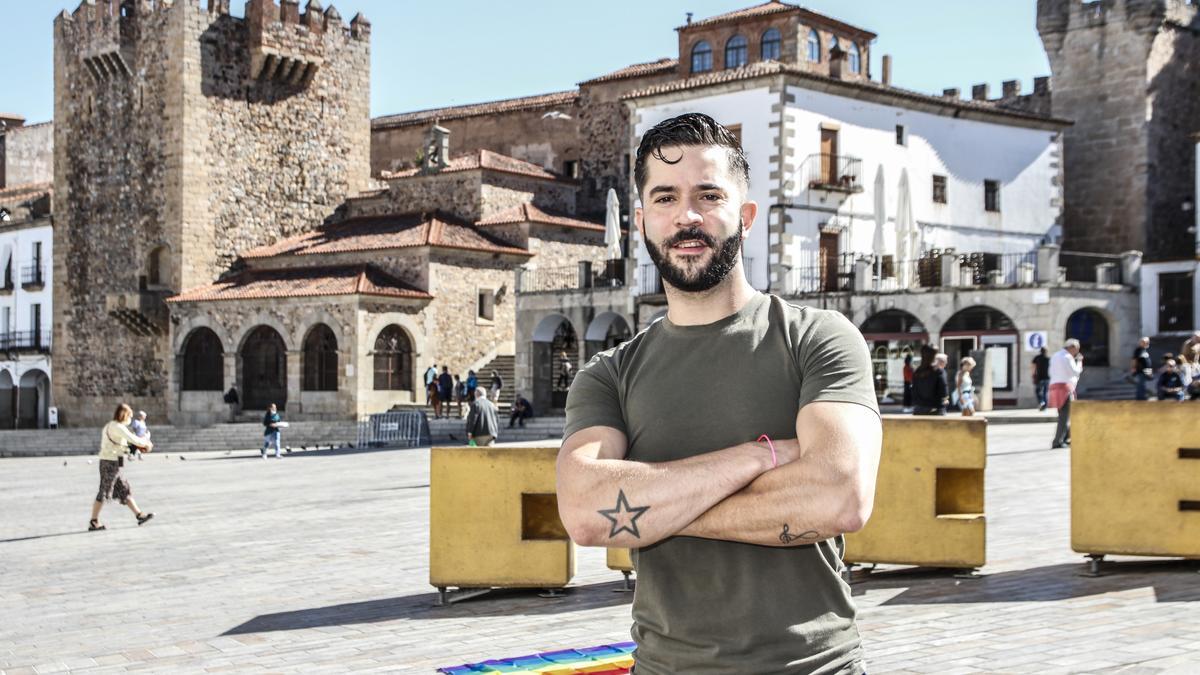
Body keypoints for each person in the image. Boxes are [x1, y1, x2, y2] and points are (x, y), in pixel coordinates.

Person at [557, 113, 882, 672]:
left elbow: (839, 498)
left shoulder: (817, 339)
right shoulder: (608, 375)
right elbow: (585, 513)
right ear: (640, 221)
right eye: (664, 198)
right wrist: (759, 456)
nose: (687, 216)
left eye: (708, 195)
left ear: (746, 216)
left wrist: (654, 505)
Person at [89, 404, 154, 531]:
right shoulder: (118, 427)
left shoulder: (110, 425)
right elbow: (133, 439)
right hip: (110, 463)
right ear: (124, 415)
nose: (130, 419)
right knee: (103, 491)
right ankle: (94, 521)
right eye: (129, 416)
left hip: (112, 462)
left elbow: (123, 444)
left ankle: (139, 515)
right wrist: (146, 443)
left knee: (123, 490)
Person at [1049, 338, 1083, 449]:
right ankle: (1057, 441)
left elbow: (1051, 372)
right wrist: (1079, 362)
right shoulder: (1068, 357)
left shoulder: (1055, 356)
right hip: (1064, 388)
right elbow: (1075, 371)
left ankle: (1066, 437)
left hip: (1055, 388)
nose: (1077, 352)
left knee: (1063, 415)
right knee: (1064, 416)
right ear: (1071, 347)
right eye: (1077, 349)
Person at [911, 345, 949, 416]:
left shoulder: (916, 372)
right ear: (934, 356)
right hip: (935, 410)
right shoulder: (938, 371)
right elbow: (944, 392)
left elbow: (913, 391)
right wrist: (946, 399)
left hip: (919, 409)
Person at [1130, 336, 1153, 401]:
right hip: (1140, 371)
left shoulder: (1144, 350)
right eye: (1144, 342)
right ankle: (1140, 398)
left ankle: (1143, 397)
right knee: (1140, 385)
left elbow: (1147, 362)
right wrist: (1133, 368)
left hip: (1146, 371)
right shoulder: (1138, 350)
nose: (1146, 343)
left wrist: (1149, 372)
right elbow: (1134, 360)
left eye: (1147, 342)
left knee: (1143, 385)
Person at [1031, 347, 1051, 411]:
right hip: (1047, 378)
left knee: (1038, 391)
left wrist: (1033, 375)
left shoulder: (1037, 358)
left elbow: (1033, 367)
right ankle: (1044, 406)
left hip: (1039, 378)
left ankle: (1041, 402)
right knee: (1045, 392)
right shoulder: (1048, 358)